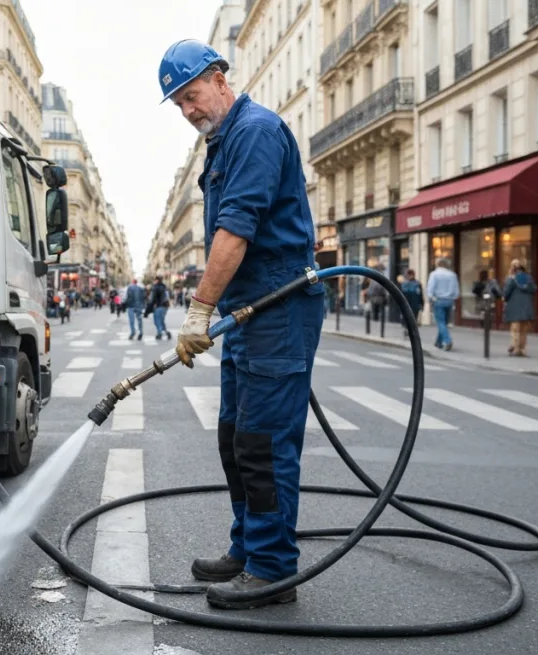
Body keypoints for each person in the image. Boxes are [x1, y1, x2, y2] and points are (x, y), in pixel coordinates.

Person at [160, 38, 325, 609]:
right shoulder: (223, 141)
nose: (189, 110)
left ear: (219, 77)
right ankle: (249, 550)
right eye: (179, 104)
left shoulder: (254, 131)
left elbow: (235, 230)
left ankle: (273, 570)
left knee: (264, 443)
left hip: (278, 305)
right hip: (249, 309)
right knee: (235, 438)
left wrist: (199, 310)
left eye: (192, 95)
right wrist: (219, 308)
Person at [502, 259, 536, 357]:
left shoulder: (511, 279)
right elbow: (533, 290)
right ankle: (522, 349)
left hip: (514, 307)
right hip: (526, 307)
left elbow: (506, 293)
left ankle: (515, 347)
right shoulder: (529, 278)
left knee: (515, 329)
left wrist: (505, 298)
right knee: (524, 330)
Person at [427, 258, 459, 350]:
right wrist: (453, 298)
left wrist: (431, 298)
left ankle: (447, 341)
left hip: (438, 300)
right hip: (449, 300)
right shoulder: (452, 275)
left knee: (440, 322)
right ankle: (438, 342)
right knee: (444, 322)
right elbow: (456, 291)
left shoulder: (434, 274)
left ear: (438, 264)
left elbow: (430, 288)